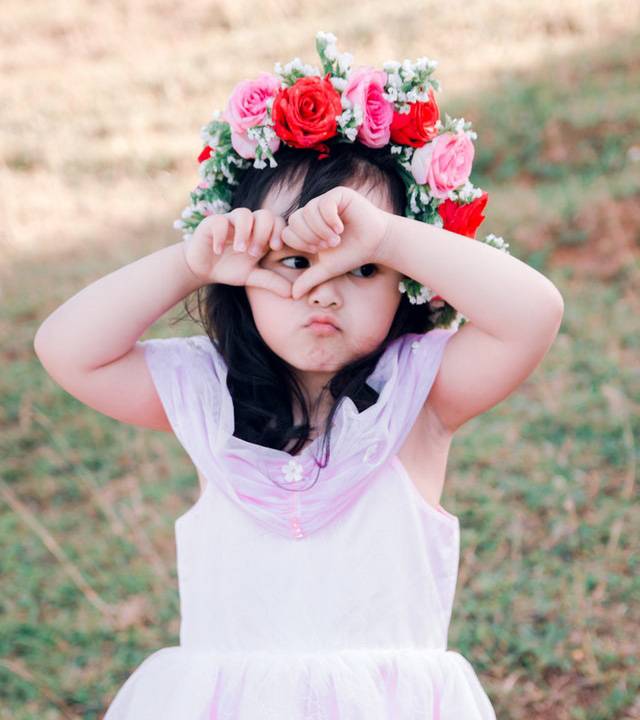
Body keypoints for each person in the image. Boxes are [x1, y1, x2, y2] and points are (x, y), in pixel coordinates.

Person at [33, 32, 564, 719]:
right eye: (291, 262)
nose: (323, 291)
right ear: (243, 274)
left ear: (406, 281)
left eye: (362, 269)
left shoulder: (423, 391)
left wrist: (385, 232)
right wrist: (193, 260)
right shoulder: (206, 389)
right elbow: (66, 347)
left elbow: (534, 313)